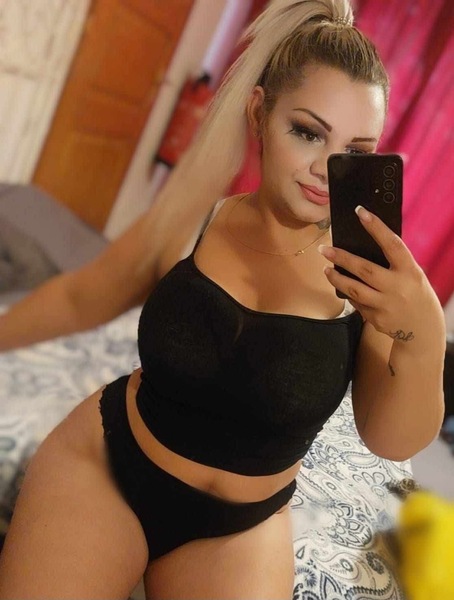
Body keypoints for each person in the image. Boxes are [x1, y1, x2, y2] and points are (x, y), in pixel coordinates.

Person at [0, 0, 446, 598]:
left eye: (355, 152)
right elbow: (83, 296)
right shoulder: (196, 216)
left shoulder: (364, 276)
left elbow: (389, 441)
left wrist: (421, 335)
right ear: (260, 112)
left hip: (240, 527)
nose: (326, 168)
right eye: (307, 132)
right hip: (108, 465)